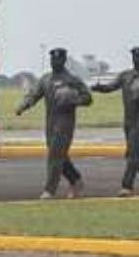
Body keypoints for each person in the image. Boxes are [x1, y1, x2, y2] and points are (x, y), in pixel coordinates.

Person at [14, 47, 92, 198]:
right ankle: (76, 180)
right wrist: (23, 106)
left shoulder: (72, 80)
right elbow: (34, 95)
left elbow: (87, 98)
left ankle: (49, 190)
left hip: (66, 122)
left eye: (57, 59)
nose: (54, 62)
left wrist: (72, 98)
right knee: (58, 154)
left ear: (63, 60)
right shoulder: (46, 79)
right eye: (52, 59)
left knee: (55, 155)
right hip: (51, 121)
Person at [91, 46, 139, 195]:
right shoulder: (125, 76)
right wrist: (99, 87)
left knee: (133, 153)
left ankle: (127, 186)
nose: (137, 59)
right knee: (137, 154)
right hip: (129, 121)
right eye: (134, 56)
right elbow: (111, 86)